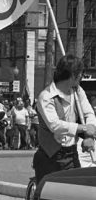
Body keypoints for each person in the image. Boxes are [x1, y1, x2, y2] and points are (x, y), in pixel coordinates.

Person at [34, 54, 96, 183]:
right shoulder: (46, 97)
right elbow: (55, 125)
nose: (81, 77)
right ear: (73, 75)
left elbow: (89, 114)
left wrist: (89, 136)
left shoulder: (78, 91)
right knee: (48, 195)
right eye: (81, 74)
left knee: (74, 190)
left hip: (71, 153)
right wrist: (83, 128)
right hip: (50, 155)